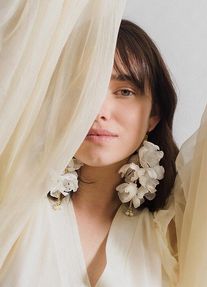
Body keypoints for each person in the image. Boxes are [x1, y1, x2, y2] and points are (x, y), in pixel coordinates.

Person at [0, 19, 179, 287]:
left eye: (125, 91)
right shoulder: (14, 201)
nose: (99, 111)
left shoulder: (173, 227)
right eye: (83, 90)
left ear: (154, 114)